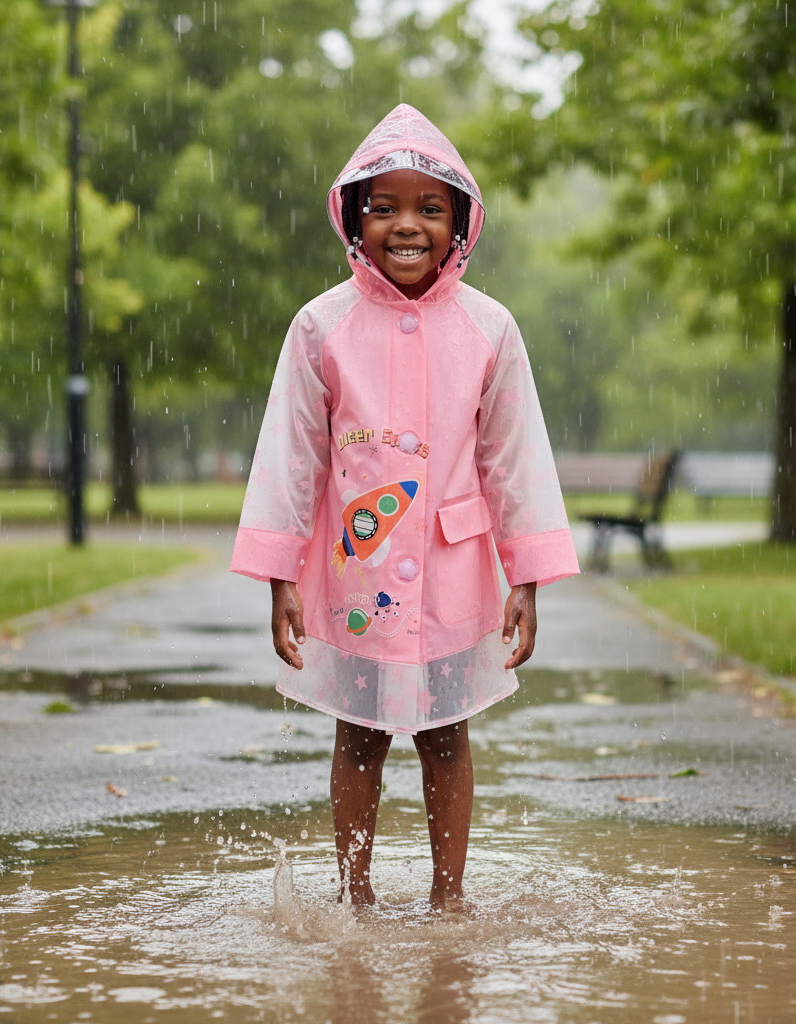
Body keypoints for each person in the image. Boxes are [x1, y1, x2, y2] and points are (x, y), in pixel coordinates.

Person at [230, 104, 578, 909]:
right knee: (356, 736)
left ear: (460, 220)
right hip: (356, 576)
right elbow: (293, 456)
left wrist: (526, 576)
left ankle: (448, 896)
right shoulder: (322, 327)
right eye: (384, 206)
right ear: (354, 216)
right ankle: (355, 897)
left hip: (454, 572)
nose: (406, 226)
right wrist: (279, 573)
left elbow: (513, 457)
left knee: (445, 734)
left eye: (430, 206)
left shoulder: (489, 328)